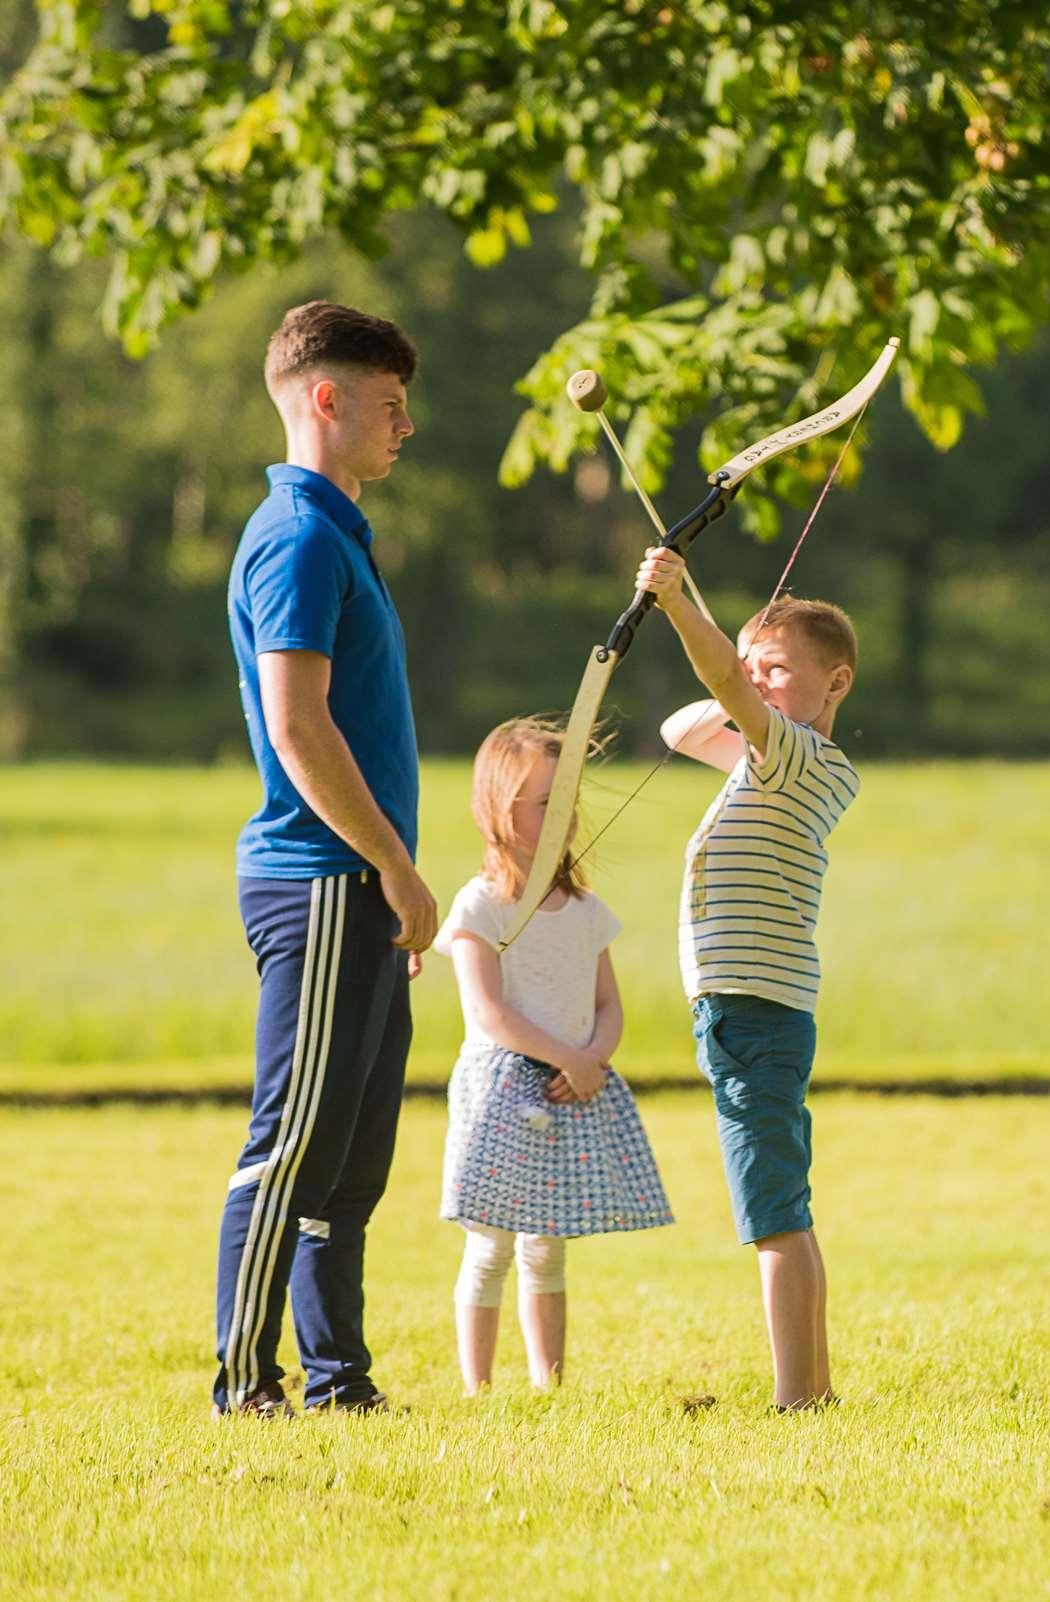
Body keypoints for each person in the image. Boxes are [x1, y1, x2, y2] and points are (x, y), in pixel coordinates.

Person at [215, 301, 435, 1417]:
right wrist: (395, 866)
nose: (407, 427)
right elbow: (299, 728)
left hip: (357, 885)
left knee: (349, 1161)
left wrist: (388, 874)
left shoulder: (338, 530)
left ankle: (340, 1383)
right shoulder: (297, 537)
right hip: (319, 880)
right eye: (390, 407)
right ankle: (244, 1383)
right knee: (293, 1144)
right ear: (327, 400)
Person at [634, 544, 858, 1412]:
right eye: (755, 668)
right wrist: (738, 659)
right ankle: (814, 1390)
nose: (761, 683)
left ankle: (799, 1399)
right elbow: (682, 727)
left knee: (773, 1212)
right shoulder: (765, 759)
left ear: (835, 683)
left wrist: (682, 606)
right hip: (747, 1010)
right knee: (777, 1206)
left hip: (756, 1012)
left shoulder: (806, 759)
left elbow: (720, 695)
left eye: (783, 671)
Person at [432, 718, 673, 1394]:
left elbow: (608, 1005)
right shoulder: (481, 905)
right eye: (544, 802)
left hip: (571, 1085)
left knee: (548, 1243)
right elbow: (488, 1012)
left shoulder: (587, 908)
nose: (562, 814)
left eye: (567, 798)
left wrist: (592, 1057)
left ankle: (549, 1383)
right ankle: (478, 1388)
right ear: (500, 811)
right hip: (504, 1089)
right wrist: (569, 1058)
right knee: (492, 1245)